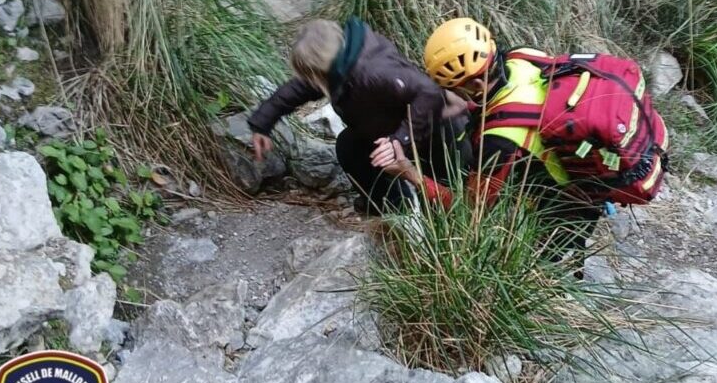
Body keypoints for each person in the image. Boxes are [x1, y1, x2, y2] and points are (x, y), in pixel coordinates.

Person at [372, 17, 601, 256]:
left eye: (455, 88)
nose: (452, 94)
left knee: (544, 264)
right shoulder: (520, 57)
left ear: (478, 84)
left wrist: (409, 172)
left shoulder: (498, 141)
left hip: (568, 207)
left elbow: (469, 210)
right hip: (580, 166)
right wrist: (471, 109)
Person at [247, 17, 469, 215]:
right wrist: (263, 123)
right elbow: (298, 89)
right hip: (384, 128)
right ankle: (392, 206)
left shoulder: (373, 72)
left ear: (318, 69)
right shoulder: (338, 68)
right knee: (349, 147)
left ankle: (443, 222)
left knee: (444, 204)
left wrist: (400, 140)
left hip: (435, 134)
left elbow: (429, 92)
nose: (309, 82)